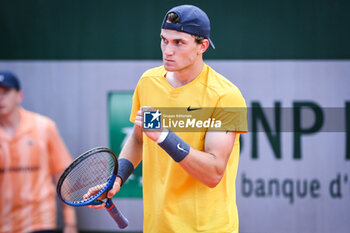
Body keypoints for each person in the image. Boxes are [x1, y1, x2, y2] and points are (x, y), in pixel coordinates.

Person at [88, 4, 247, 233]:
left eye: (178, 43)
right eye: (164, 40)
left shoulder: (226, 96)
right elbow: (139, 140)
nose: (167, 50)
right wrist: (118, 177)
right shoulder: (148, 82)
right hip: (157, 227)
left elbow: (213, 173)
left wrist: (164, 136)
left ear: (202, 46)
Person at [0, 71, 78, 233]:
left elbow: (61, 173)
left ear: (19, 96)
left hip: (39, 221)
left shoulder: (44, 126)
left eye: (6, 92)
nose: (0, 98)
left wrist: (70, 223)